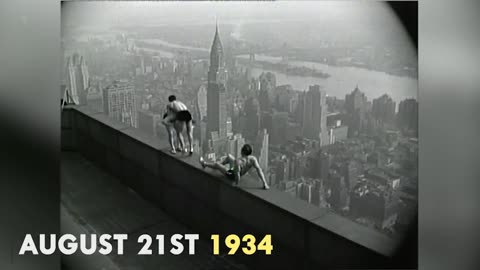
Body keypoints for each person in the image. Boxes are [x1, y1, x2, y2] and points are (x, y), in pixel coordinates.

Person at [199, 144, 270, 189]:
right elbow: (259, 170)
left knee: (217, 165)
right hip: (237, 170)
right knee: (229, 157)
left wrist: (236, 185)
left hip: (231, 175)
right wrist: (265, 183)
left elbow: (237, 175)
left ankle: (205, 164)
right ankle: (218, 165)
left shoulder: (238, 161)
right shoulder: (253, 159)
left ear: (242, 151)